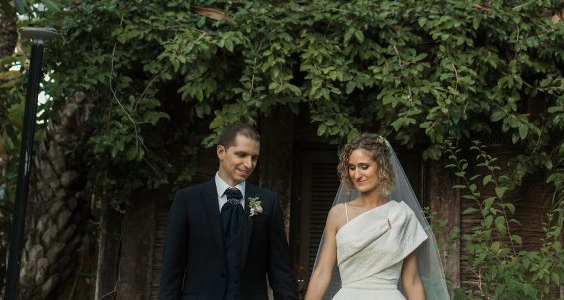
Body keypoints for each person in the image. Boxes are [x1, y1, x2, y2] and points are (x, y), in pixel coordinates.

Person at [158, 122, 298, 300]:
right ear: (221, 152)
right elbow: (171, 272)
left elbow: (281, 274)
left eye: (254, 158)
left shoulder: (268, 202)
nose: (248, 164)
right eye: (241, 154)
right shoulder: (187, 200)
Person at [304, 133, 450, 300]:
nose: (356, 175)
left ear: (382, 167)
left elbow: (412, 280)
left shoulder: (402, 215)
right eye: (352, 167)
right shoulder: (338, 214)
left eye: (364, 166)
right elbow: (322, 271)